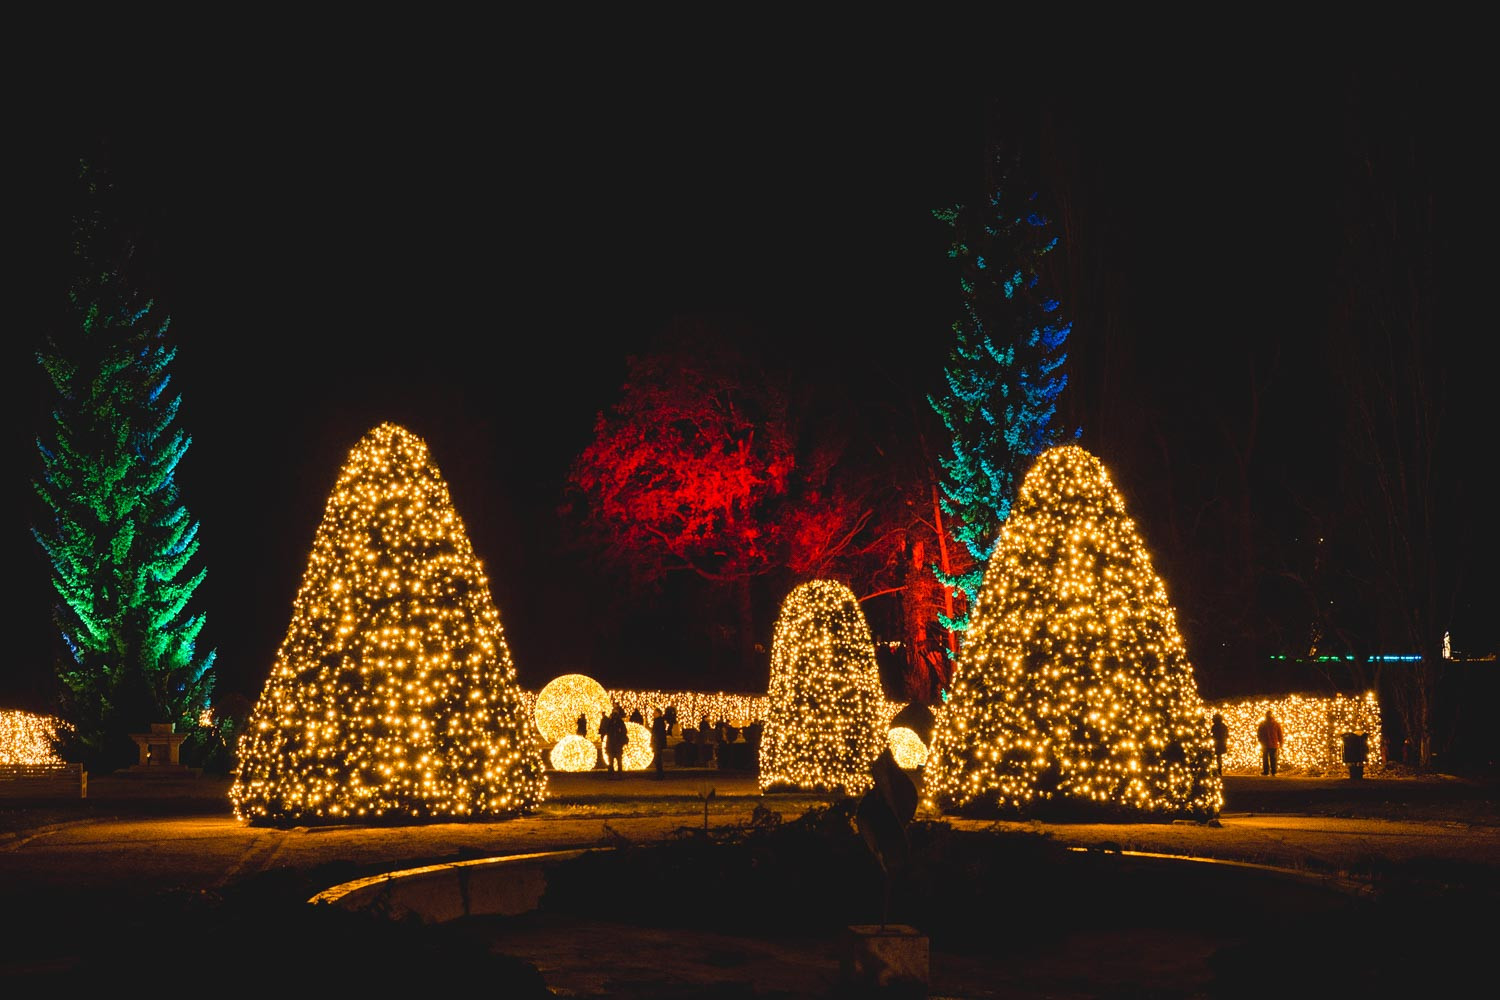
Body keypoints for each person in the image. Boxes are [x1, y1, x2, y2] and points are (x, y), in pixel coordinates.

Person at [1256, 709, 1283, 776]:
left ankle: (1266, 771)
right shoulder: (1276, 724)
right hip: (1273, 744)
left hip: (1265, 744)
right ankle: (1273, 771)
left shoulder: (1262, 724)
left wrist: (1260, 740)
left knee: (1266, 758)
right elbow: (1280, 734)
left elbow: (1259, 733)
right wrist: (1281, 742)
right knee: (1273, 758)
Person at [604, 705, 628, 777]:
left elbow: (624, 731)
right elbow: (607, 731)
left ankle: (618, 774)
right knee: (612, 760)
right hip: (613, 744)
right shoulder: (611, 722)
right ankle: (612, 773)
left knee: (617, 759)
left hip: (616, 743)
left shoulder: (618, 722)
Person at [651, 709, 668, 779]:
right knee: (658, 759)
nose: (653, 714)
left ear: (658, 713)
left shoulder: (658, 721)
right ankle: (659, 774)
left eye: (654, 713)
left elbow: (658, 733)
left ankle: (659, 775)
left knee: (658, 759)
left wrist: (655, 741)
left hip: (658, 743)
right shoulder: (660, 721)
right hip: (658, 742)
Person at [1210, 712, 1229, 776]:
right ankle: (1219, 769)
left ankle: (1216, 770)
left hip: (1216, 743)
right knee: (1219, 757)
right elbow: (1227, 735)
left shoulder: (1214, 726)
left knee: (1216, 756)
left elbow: (1212, 734)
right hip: (1221, 743)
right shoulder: (1224, 726)